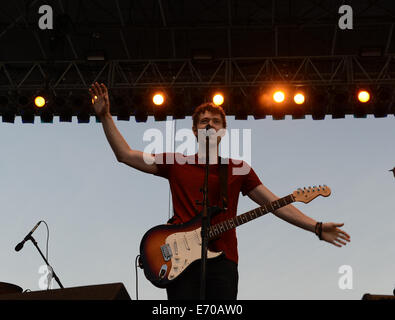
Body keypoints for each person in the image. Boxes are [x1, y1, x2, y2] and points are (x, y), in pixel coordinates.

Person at [88, 82, 351, 300]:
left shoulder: (238, 168)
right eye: (203, 121)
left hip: (223, 262)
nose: (209, 124)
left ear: (223, 131)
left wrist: (315, 227)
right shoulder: (176, 162)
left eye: (215, 121)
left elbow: (275, 204)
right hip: (179, 261)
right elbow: (125, 154)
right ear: (194, 130)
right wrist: (105, 116)